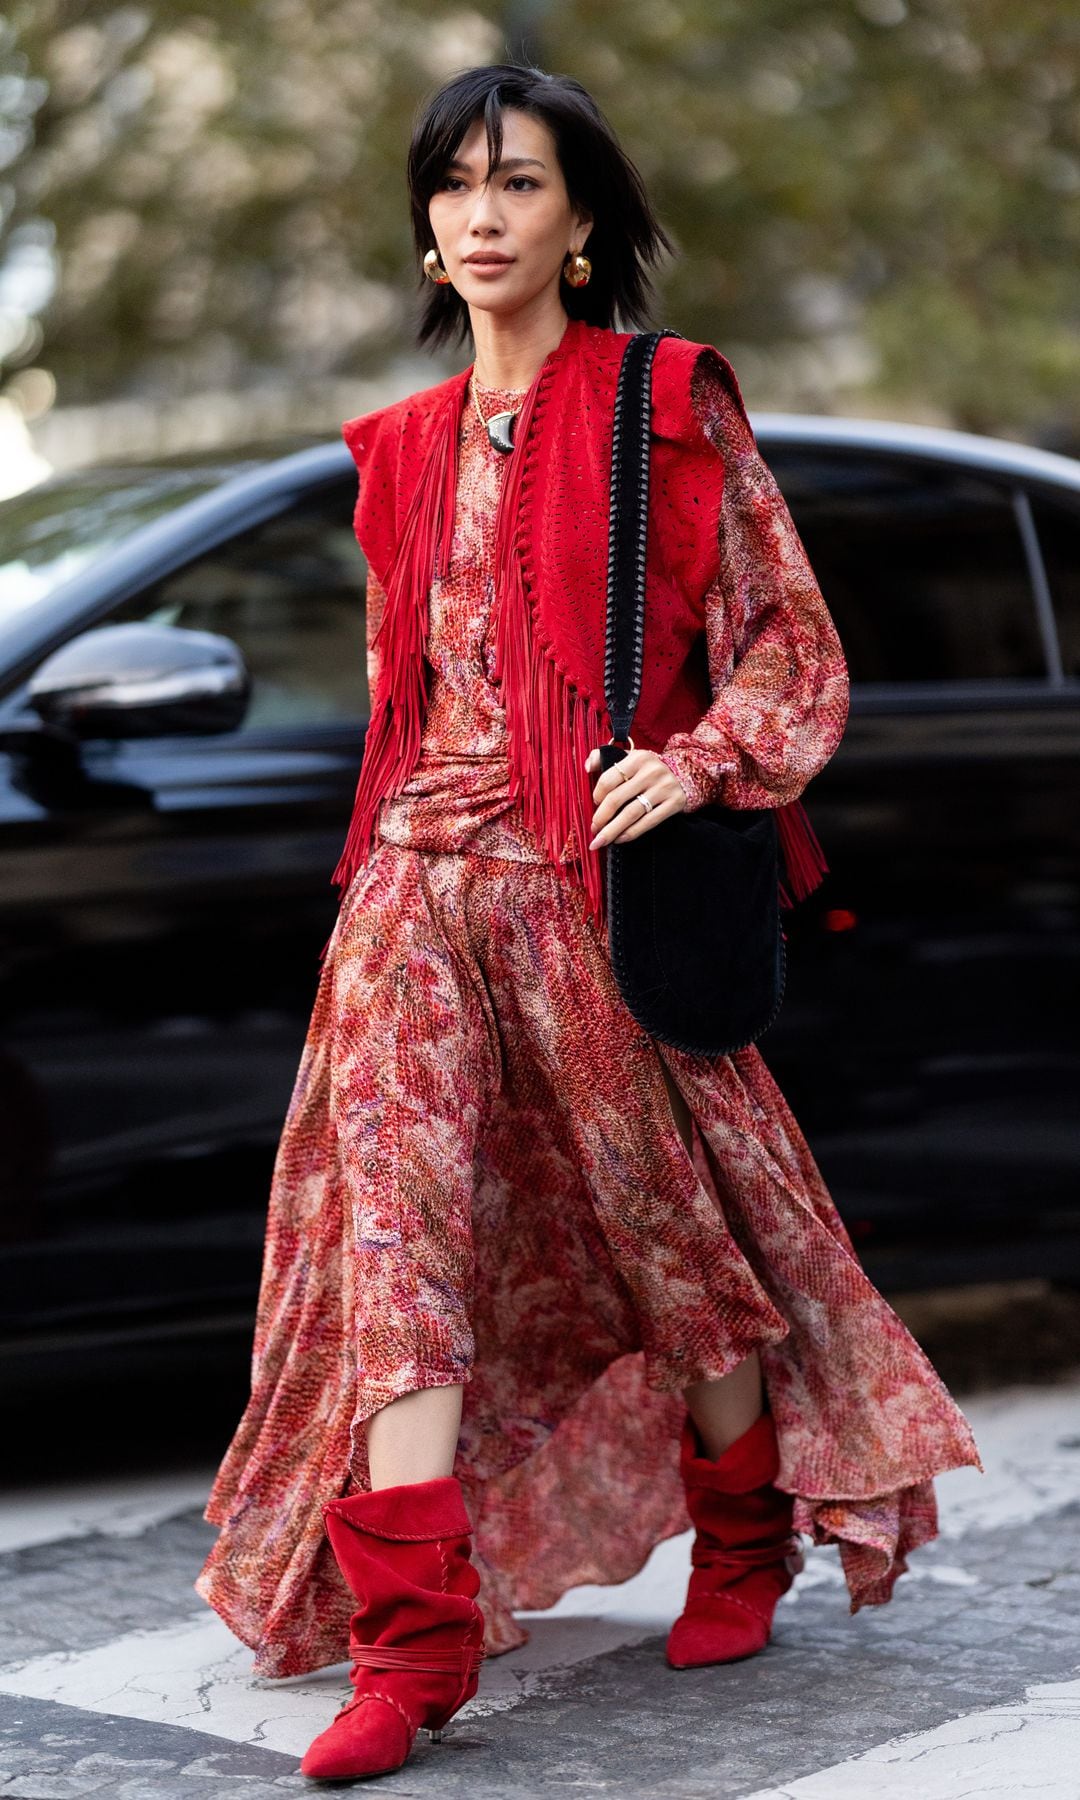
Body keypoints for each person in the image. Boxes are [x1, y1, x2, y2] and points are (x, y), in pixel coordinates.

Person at [195, 61, 982, 1785]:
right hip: (411, 886)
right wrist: (385, 869)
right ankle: (417, 1654)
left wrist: (701, 768)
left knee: (666, 1232)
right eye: (455, 187)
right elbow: (415, 696)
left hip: (587, 880)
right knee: (389, 1256)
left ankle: (745, 1532)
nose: (481, 214)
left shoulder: (666, 405)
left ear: (580, 228)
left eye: (521, 185)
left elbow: (791, 641)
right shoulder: (390, 452)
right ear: (424, 232)